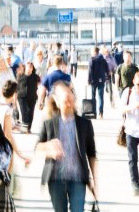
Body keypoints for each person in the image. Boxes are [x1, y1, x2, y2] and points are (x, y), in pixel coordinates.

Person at [35, 81, 97, 212]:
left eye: (70, 98)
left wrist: (95, 181)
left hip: (78, 179)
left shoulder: (84, 124)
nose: (69, 102)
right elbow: (37, 147)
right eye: (65, 100)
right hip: (56, 179)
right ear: (57, 102)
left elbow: (91, 154)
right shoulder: (49, 123)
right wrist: (49, 148)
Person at [0, 81, 29, 162]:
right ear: (14, 95)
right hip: (0, 148)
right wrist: (20, 155)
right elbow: (8, 135)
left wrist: (14, 127)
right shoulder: (7, 111)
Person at [88, 46, 109, 119]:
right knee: (101, 97)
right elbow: (107, 70)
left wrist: (88, 80)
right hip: (101, 80)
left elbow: (90, 71)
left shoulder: (91, 59)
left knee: (93, 97)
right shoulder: (103, 59)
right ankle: (101, 113)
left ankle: (94, 112)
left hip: (93, 81)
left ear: (94, 52)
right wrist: (107, 78)